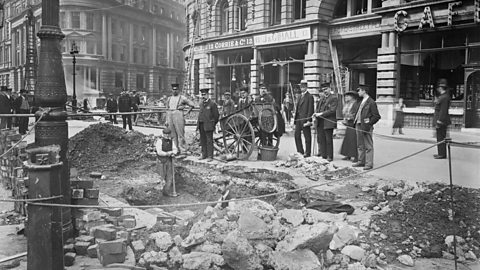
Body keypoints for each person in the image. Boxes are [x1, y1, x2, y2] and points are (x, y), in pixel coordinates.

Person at [352, 86, 381, 170]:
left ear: (364, 91)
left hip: (366, 126)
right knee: (360, 144)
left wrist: (369, 122)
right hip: (358, 124)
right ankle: (361, 161)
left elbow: (376, 116)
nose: (358, 92)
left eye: (359, 90)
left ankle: (369, 163)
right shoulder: (361, 101)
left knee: (368, 145)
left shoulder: (371, 102)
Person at [165, 83, 196, 153]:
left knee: (180, 133)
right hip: (170, 115)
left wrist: (186, 113)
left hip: (178, 114)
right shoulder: (169, 98)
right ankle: (175, 149)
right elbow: (167, 109)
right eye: (173, 89)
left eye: (176, 89)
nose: (174, 91)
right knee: (172, 134)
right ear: (171, 90)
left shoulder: (182, 98)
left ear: (178, 90)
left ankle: (183, 150)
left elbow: (192, 105)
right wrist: (166, 120)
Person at [313, 82, 338, 161]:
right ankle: (323, 155)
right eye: (323, 90)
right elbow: (318, 108)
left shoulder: (334, 98)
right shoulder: (322, 98)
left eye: (326, 89)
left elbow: (332, 110)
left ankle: (330, 156)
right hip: (320, 122)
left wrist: (321, 113)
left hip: (328, 122)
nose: (325, 91)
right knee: (321, 139)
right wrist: (315, 114)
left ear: (330, 89)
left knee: (328, 140)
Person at [155, 127, 179, 197]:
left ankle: (166, 191)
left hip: (169, 161)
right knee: (161, 177)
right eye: (166, 134)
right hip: (161, 161)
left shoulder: (171, 141)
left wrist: (173, 153)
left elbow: (175, 149)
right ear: (163, 134)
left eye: (168, 134)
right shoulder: (159, 141)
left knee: (169, 177)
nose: (167, 136)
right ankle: (159, 193)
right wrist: (168, 153)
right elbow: (159, 152)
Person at [197, 88, 219, 161]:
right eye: (202, 95)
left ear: (208, 94)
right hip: (201, 124)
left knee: (209, 141)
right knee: (203, 140)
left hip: (209, 125)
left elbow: (216, 116)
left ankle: (210, 156)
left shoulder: (212, 104)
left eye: (204, 94)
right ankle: (204, 154)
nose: (203, 96)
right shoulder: (201, 103)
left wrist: (213, 124)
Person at [294, 80, 314, 157]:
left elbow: (310, 109)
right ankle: (300, 151)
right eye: (301, 87)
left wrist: (308, 120)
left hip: (305, 119)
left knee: (307, 137)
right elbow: (297, 109)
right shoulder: (299, 96)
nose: (302, 88)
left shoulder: (310, 97)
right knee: (297, 136)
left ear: (306, 87)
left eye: (303, 87)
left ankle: (307, 152)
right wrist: (295, 121)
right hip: (298, 119)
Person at [433, 79, 451, 159]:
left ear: (441, 88)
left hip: (441, 121)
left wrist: (439, 121)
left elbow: (443, 111)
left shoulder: (444, 97)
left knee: (441, 137)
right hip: (440, 120)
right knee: (440, 137)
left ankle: (442, 154)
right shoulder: (443, 97)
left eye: (439, 87)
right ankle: (441, 153)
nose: (438, 89)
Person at [340, 91, 360, 162]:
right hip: (348, 123)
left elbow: (356, 114)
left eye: (348, 96)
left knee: (354, 140)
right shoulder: (347, 104)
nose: (346, 98)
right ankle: (347, 154)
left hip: (353, 124)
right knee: (348, 139)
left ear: (352, 97)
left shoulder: (355, 104)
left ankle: (356, 156)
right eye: (345, 96)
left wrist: (350, 117)